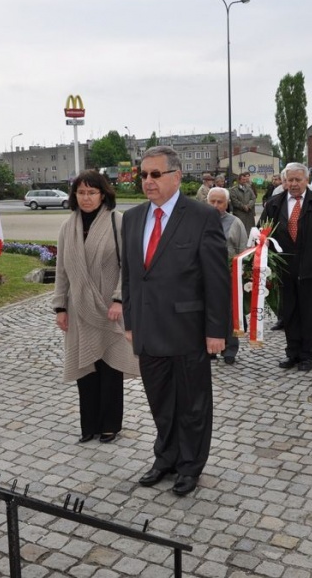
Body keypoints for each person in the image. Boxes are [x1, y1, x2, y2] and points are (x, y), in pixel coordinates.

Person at [121, 146, 229, 497]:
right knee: (160, 402)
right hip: (148, 330)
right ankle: (165, 458)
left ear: (177, 176)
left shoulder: (202, 217)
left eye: (156, 174)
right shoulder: (133, 218)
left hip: (188, 331)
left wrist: (216, 330)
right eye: (143, 175)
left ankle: (190, 466)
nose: (148, 181)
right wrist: (130, 321)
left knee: (192, 405)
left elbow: (216, 279)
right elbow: (131, 276)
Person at [52, 170, 140, 445]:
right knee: (85, 368)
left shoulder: (117, 221)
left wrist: (119, 300)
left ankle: (110, 425)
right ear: (74, 195)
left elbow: (129, 265)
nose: (86, 198)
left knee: (110, 368)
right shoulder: (68, 227)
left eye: (92, 192)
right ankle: (88, 426)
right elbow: (61, 270)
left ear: (103, 195)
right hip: (78, 308)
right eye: (81, 192)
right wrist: (60, 307)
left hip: (108, 307)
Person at [259, 162, 312, 372]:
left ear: (306, 180)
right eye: (289, 180)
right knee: (289, 313)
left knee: (309, 313)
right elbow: (262, 233)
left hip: (311, 269)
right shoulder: (274, 204)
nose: (293, 184)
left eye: (297, 180)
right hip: (284, 270)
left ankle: (307, 354)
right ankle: (292, 352)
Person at [207, 186, 248, 365]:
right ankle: (209, 347)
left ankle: (230, 348)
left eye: (220, 202)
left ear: (227, 203)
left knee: (230, 311)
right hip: (205, 274)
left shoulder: (235, 223)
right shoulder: (198, 220)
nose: (216, 205)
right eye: (212, 201)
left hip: (228, 274)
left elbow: (243, 249)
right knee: (207, 311)